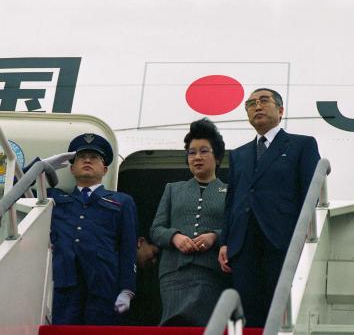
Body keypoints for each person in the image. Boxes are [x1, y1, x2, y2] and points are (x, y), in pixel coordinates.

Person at [218, 88, 320, 327]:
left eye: (264, 101)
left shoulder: (301, 145)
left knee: (280, 307)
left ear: (281, 110)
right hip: (243, 242)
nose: (257, 107)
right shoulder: (239, 154)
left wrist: (303, 231)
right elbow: (232, 200)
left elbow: (310, 192)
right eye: (251, 104)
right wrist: (225, 240)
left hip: (282, 238)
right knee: (248, 309)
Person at [45, 133, 137, 325]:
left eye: (94, 157)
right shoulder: (56, 199)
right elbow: (15, 187)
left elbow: (128, 248)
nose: (87, 160)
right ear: (71, 168)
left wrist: (127, 290)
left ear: (104, 169)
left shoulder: (121, 201)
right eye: (81, 157)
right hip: (63, 285)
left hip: (103, 285)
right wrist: (42, 166)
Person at [150, 118, 229, 326]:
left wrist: (215, 236)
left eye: (204, 151)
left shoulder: (229, 192)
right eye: (192, 152)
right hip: (173, 274)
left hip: (210, 273)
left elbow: (237, 229)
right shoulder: (173, 189)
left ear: (217, 157)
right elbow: (156, 230)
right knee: (173, 325)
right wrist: (175, 237)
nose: (197, 157)